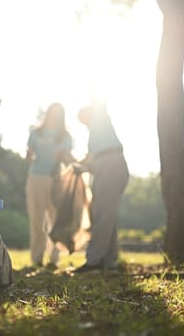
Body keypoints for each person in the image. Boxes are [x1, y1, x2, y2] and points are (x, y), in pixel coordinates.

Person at [74, 102, 129, 273]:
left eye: (83, 119)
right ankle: (108, 261)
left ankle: (94, 261)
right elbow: (92, 160)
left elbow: (98, 97)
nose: (84, 123)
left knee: (102, 215)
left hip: (111, 165)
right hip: (105, 167)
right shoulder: (94, 134)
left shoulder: (100, 117)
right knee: (106, 215)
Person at [25, 102, 73, 268]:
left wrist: (66, 157)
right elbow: (29, 154)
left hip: (57, 179)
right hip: (36, 178)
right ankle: (36, 258)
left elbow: (68, 158)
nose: (55, 116)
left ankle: (54, 258)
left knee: (55, 219)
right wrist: (29, 155)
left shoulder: (66, 136)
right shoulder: (35, 132)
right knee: (36, 219)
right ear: (48, 113)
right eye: (53, 112)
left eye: (59, 113)